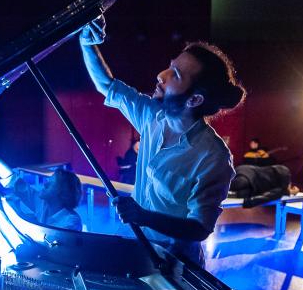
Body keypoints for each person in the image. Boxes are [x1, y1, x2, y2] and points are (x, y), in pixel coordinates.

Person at [79, 16, 244, 265]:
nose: (161, 75)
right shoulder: (152, 117)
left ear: (194, 100)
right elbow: (107, 85)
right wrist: (87, 43)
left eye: (174, 75)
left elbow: (200, 228)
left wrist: (144, 217)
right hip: (135, 245)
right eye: (170, 66)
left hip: (174, 262)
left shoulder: (213, 157)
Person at [0, 124, 83, 231]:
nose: (45, 184)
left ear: (62, 193)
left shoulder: (71, 222)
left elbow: (52, 241)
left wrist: (19, 212)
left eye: (51, 183)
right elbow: (12, 179)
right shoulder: (43, 204)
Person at [228, 163, 299, 207]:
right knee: (240, 184)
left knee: (242, 194)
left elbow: (269, 195)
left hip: (253, 186)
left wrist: (287, 191)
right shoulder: (284, 174)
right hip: (249, 173)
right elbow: (270, 196)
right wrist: (288, 191)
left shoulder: (281, 189)